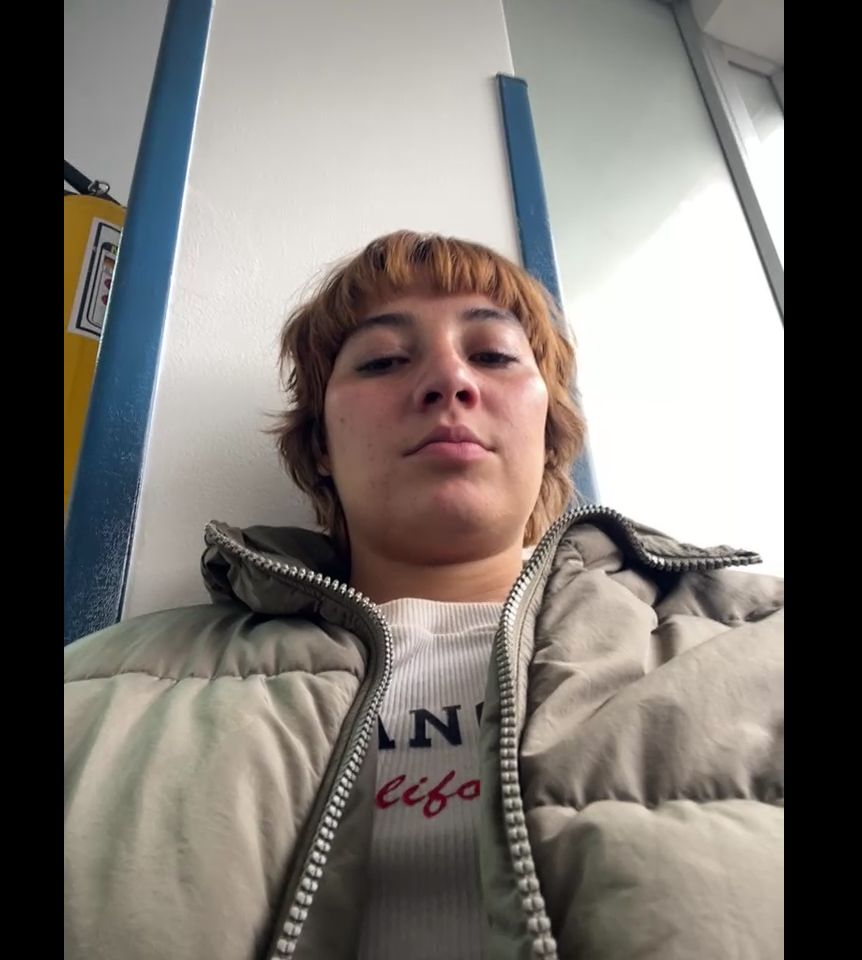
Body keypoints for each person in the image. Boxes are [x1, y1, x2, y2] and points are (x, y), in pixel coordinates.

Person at [64, 230, 784, 960]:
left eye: (493, 355)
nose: (448, 380)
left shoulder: (763, 639)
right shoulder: (93, 687)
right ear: (320, 445)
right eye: (382, 360)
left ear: (549, 431)